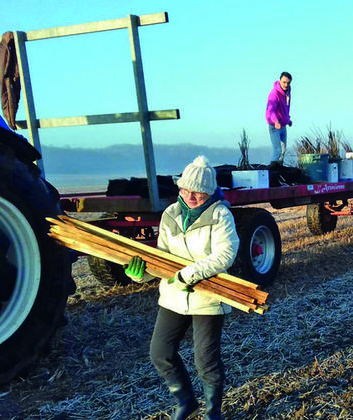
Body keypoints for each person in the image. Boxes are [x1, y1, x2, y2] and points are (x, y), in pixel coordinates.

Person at [124, 155, 240, 420]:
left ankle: (213, 412)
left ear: (209, 191)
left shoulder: (220, 214)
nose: (191, 196)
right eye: (186, 189)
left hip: (208, 298)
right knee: (160, 353)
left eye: (198, 191)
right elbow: (162, 258)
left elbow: (225, 254)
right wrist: (140, 275)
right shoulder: (170, 214)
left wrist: (188, 275)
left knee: (205, 362)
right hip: (173, 296)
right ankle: (186, 402)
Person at [265, 71, 292, 166]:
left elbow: (285, 108)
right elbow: (270, 111)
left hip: (283, 125)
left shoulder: (288, 92)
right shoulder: (274, 94)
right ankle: (272, 171)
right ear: (280, 81)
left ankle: (279, 169)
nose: (286, 85)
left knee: (283, 150)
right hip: (274, 126)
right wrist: (276, 121)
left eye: (288, 83)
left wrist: (288, 120)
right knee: (277, 150)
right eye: (284, 82)